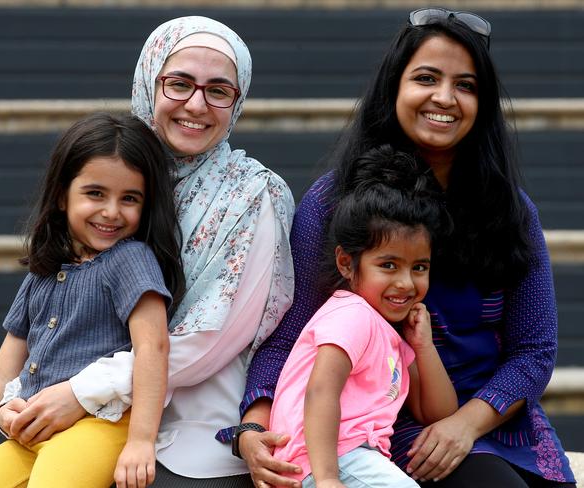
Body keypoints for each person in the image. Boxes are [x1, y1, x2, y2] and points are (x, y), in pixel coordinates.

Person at [238, 7, 576, 488]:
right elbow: (291, 334)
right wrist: (254, 426)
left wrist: (464, 426)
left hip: (486, 419)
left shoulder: (511, 211)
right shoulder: (336, 202)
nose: (445, 97)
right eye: (426, 78)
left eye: (466, 85)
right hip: (371, 427)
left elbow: (534, 351)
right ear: (394, 88)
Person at [0, 16, 294, 487]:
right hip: (77, 423)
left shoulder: (255, 196)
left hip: (190, 435)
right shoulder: (116, 180)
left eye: (219, 90)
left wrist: (82, 391)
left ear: (238, 101)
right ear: (149, 82)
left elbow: (209, 340)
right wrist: (16, 400)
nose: (197, 103)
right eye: (179, 84)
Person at [0, 112, 183, 488]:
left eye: (130, 198)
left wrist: (140, 441)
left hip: (98, 424)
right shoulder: (42, 274)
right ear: (61, 195)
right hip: (31, 431)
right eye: (95, 193)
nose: (111, 211)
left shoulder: (131, 260)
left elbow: (153, 347)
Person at [270, 146, 458, 488]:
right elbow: (321, 391)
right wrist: (327, 478)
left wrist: (424, 346)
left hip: (348, 458)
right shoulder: (352, 316)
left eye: (419, 267)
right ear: (346, 263)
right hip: (327, 458)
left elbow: (437, 413)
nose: (405, 282)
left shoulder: (389, 331)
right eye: (388, 265)